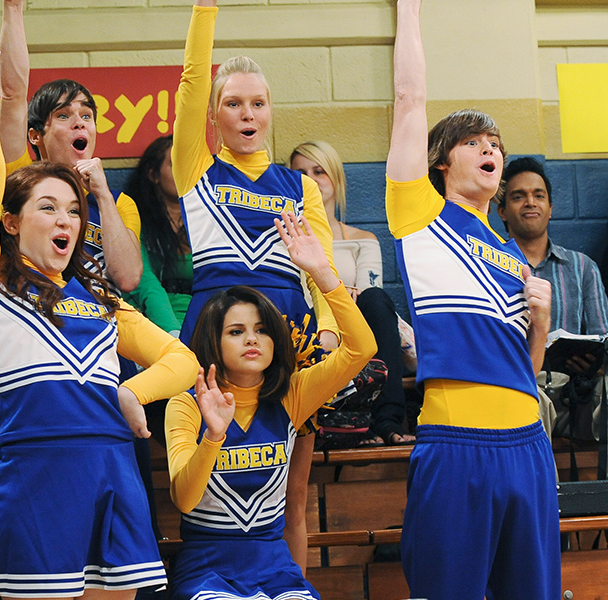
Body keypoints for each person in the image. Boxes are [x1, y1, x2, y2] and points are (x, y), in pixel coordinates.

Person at [0, 36, 199, 599]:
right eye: (46, 207)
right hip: (36, 475)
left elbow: (180, 358)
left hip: (114, 471)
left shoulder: (101, 299)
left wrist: (133, 393)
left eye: (71, 209)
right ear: (11, 223)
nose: (64, 219)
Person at [386, 1, 559, 598]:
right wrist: (409, 8)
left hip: (528, 445)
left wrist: (541, 322)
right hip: (457, 446)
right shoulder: (419, 215)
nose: (491, 149)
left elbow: (529, 370)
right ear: (441, 161)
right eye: (475, 141)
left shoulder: (510, 249)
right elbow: (409, 97)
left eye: (497, 143)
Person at [175, 0, 342, 571]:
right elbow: (191, 82)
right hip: (210, 341)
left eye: (258, 103)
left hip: (287, 344)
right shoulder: (195, 168)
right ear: (214, 115)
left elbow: (321, 268)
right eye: (233, 103)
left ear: (271, 111)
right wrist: (205, 9)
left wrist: (323, 323)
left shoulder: (300, 186)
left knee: (290, 499)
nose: (247, 113)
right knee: (203, 481)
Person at [166, 214, 375, 600]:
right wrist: (213, 435)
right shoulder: (187, 401)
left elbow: (363, 348)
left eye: (262, 329)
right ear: (213, 339)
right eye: (236, 331)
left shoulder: (292, 395)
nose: (252, 339)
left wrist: (322, 274)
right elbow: (183, 499)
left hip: (276, 567)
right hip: (207, 570)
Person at [499, 156, 608, 547]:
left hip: (581, 395)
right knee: (529, 399)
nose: (530, 203)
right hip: (526, 389)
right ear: (502, 209)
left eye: (538, 195)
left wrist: (597, 365)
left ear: (551, 206)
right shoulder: (491, 268)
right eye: (518, 196)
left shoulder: (581, 267)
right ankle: (547, 529)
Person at [0, 0, 142, 293]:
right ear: (35, 135)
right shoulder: (18, 178)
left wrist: (101, 195)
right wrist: (13, 9)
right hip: (33, 316)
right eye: (63, 115)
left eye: (86, 116)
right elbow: (12, 95)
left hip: (100, 325)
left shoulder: (120, 203)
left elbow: (127, 279)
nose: (80, 123)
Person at [289, 140, 415, 446]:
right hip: (310, 329)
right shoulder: (285, 241)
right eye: (301, 173)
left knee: (375, 301)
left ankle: (386, 420)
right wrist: (339, 293)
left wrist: (335, 294)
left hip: (359, 327)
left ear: (336, 178)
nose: (311, 180)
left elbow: (371, 296)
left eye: (319, 171)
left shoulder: (362, 240)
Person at [124, 135, 191, 338]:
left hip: (203, 321)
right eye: (174, 164)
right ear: (154, 174)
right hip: (152, 324)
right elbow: (145, 283)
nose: (184, 171)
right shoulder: (135, 218)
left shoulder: (208, 220)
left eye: (188, 164)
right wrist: (173, 332)